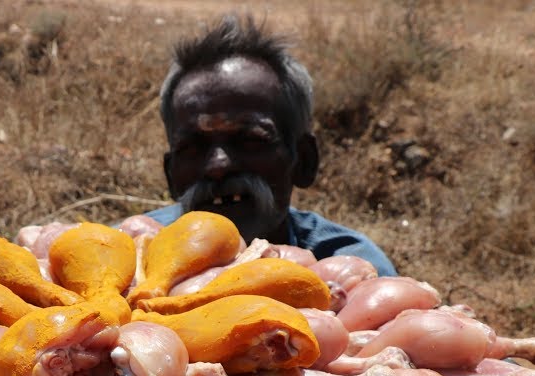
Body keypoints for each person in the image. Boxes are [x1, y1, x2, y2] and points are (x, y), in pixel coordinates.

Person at [143, 14, 398, 277]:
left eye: (250, 141)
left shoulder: (351, 273)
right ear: (170, 174)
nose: (218, 166)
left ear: (303, 160)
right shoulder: (130, 260)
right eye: (193, 148)